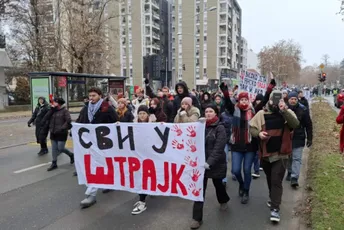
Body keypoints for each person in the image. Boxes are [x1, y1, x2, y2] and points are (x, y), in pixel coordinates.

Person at [249, 90, 300, 223]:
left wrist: (284, 111)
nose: (276, 103)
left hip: (282, 154)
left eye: (279, 100)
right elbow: (252, 128)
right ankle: (273, 197)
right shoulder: (262, 113)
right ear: (269, 101)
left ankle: (275, 209)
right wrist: (259, 134)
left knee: (276, 180)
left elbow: (295, 124)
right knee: (271, 179)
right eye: (273, 100)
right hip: (266, 154)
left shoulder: (287, 113)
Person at [76, 87, 119, 209]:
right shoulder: (86, 109)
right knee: (93, 166)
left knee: (103, 164)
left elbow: (116, 122)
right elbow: (80, 121)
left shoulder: (107, 108)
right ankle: (92, 194)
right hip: (89, 143)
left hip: (104, 143)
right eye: (90, 96)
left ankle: (96, 191)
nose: (91, 98)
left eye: (94, 96)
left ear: (99, 96)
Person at [190, 104, 230, 229]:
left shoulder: (220, 128)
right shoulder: (200, 126)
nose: (208, 113)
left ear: (215, 113)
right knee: (199, 191)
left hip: (216, 163)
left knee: (218, 185)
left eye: (211, 111)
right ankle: (197, 219)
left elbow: (219, 147)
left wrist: (210, 162)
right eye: (206, 111)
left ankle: (223, 200)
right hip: (201, 164)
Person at [220, 82, 258, 204]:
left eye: (245, 99)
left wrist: (270, 88)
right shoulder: (233, 110)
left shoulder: (253, 111)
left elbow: (265, 99)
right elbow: (226, 101)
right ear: (238, 100)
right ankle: (242, 184)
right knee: (236, 171)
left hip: (250, 147)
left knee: (247, 170)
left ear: (248, 100)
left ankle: (246, 191)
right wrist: (225, 91)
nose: (243, 101)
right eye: (241, 99)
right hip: (236, 146)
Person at [131, 105, 157, 215]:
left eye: (144, 113)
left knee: (146, 176)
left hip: (150, 156)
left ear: (148, 115)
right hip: (138, 155)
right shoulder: (133, 125)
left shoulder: (153, 125)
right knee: (141, 177)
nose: (142, 116)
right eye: (140, 113)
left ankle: (142, 201)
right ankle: (142, 199)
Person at [286, 91, 313, 187]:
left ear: (297, 100)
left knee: (297, 158)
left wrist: (310, 138)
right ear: (288, 100)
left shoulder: (303, 109)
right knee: (289, 157)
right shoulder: (284, 109)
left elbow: (308, 125)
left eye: (295, 99)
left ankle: (294, 177)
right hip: (287, 137)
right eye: (291, 99)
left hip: (299, 136)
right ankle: (289, 171)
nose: (293, 101)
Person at [40, 98, 74, 171]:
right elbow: (46, 117)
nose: (53, 103)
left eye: (54, 102)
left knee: (61, 148)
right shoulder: (52, 110)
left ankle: (71, 155)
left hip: (62, 132)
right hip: (53, 132)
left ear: (59, 103)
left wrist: (62, 128)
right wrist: (51, 110)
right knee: (54, 149)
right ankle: (54, 163)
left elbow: (68, 120)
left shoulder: (65, 110)